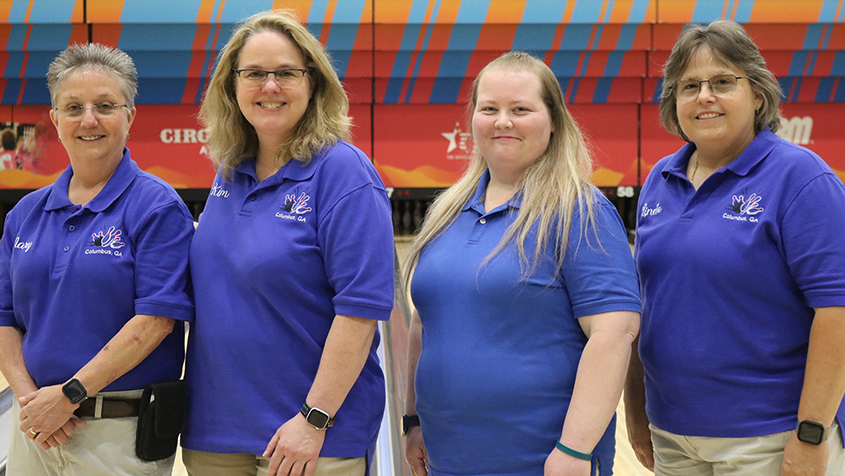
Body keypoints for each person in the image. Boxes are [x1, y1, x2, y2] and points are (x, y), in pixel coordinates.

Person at [402, 51, 641, 476]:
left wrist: (575, 451)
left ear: (553, 120)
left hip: (542, 460)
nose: (502, 121)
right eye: (489, 108)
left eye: (521, 110)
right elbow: (426, 321)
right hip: (447, 457)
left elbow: (613, 333)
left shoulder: (579, 210)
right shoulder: (447, 211)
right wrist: (412, 420)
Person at [626, 20, 845, 476]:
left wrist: (811, 433)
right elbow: (643, 304)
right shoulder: (659, 179)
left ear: (758, 95)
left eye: (723, 82)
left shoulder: (802, 179)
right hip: (672, 434)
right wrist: (636, 411)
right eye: (689, 86)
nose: (704, 96)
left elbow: (838, 311)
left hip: (768, 437)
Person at [181, 9, 394, 476]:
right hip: (215, 432)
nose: (269, 86)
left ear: (314, 83)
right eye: (254, 74)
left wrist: (314, 419)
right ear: (231, 87)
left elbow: (361, 312)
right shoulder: (229, 173)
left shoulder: (344, 174)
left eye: (286, 73)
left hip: (310, 439)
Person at [0, 43, 194, 475]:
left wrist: (69, 394)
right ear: (54, 118)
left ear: (129, 115)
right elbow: (4, 318)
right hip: (35, 427)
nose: (89, 119)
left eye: (105, 105)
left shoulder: (156, 207)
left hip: (119, 434)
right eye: (74, 107)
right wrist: (32, 402)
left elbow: (157, 321)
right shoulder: (24, 214)